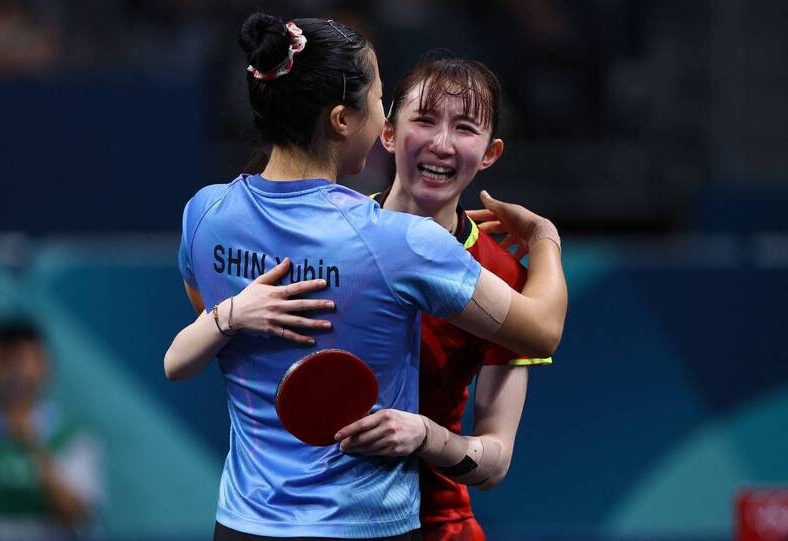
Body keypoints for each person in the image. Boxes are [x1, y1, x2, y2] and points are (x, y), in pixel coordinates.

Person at [165, 12, 566, 541]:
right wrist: (546, 239)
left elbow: (206, 316)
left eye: (465, 127)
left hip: (243, 523)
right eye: (381, 103)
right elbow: (542, 328)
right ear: (343, 121)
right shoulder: (399, 243)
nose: (384, 120)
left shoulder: (204, 214)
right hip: (369, 526)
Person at [333, 55, 553, 541]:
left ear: (491, 152)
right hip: (315, 518)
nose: (441, 143)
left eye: (465, 128)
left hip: (435, 526)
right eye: (425, 120)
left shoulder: (502, 277)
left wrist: (428, 438)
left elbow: (495, 462)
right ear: (388, 134)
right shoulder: (330, 236)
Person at [0, 320, 103, 541]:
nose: (14, 373)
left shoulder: (75, 438)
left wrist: (30, 441)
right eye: (4, 360)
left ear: (44, 366)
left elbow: (76, 515)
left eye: (21, 361)